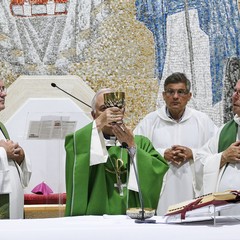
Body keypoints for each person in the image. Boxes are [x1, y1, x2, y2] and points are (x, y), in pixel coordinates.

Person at [64, 88, 169, 216]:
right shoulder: (85, 142)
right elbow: (74, 149)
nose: (111, 114)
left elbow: (157, 169)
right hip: (95, 220)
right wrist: (99, 123)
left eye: (116, 108)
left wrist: (132, 147)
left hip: (132, 218)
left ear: (123, 111)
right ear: (94, 115)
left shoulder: (140, 142)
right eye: (104, 109)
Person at [134, 72, 218, 215]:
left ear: (189, 96)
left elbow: (216, 153)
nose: (175, 96)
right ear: (163, 95)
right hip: (161, 191)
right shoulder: (150, 121)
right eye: (170, 92)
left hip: (192, 191)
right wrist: (162, 154)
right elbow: (135, 151)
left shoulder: (202, 121)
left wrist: (193, 153)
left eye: (181, 92)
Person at [195, 79, 240, 215]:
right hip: (225, 213)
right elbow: (200, 161)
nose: (235, 96)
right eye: (235, 91)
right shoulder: (224, 131)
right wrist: (223, 157)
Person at [0, 79, 31, 219]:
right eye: (0, 89)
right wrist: (4, 152)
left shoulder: (1, 126)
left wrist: (20, 156)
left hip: (13, 200)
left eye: (4, 88)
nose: (4, 94)